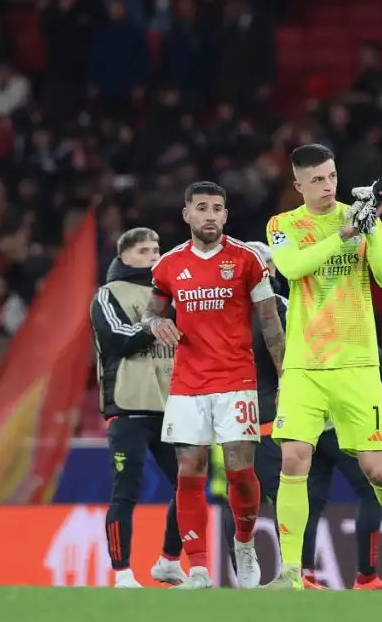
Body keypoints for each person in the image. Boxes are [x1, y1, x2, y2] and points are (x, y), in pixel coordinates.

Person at [261, 143, 382, 590]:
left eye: (332, 176)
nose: (327, 186)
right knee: (294, 460)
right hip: (303, 365)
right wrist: (346, 234)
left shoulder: (357, 216)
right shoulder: (283, 224)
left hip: (356, 363)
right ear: (298, 185)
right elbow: (293, 267)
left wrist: (371, 227)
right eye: (316, 179)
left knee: (377, 470)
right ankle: (292, 573)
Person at [216, 241, 382, 590]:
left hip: (246, 414)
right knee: (271, 494)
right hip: (264, 414)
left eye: (270, 265)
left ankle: (285, 574)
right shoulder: (281, 308)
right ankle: (288, 574)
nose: (268, 272)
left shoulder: (234, 310)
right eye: (263, 266)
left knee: (252, 495)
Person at [144, 182, 284, 589]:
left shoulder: (247, 260)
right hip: (188, 384)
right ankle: (200, 568)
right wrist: (157, 323)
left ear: (225, 215)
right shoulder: (169, 265)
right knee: (190, 471)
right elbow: (150, 313)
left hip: (236, 382)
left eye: (217, 208)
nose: (210, 215)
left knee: (241, 472)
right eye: (201, 207)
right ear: (187, 214)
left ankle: (244, 544)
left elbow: (270, 322)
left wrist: (285, 377)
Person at [90, 227, 186, 588]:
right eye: (145, 250)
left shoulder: (171, 293)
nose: (153, 255)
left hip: (170, 407)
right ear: (125, 256)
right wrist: (155, 324)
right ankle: (121, 572)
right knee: (125, 491)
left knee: (188, 485)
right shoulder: (108, 294)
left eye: (157, 249)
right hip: (128, 408)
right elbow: (116, 338)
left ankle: (168, 559)